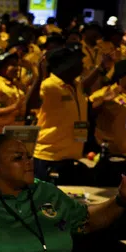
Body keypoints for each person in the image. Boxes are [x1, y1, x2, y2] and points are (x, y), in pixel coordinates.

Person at [28, 45, 99, 180]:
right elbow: (31, 104)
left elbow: (87, 82)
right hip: (50, 156)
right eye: (79, 61)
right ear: (66, 65)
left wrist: (100, 68)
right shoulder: (48, 85)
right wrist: (38, 77)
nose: (82, 64)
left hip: (73, 155)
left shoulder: (76, 85)